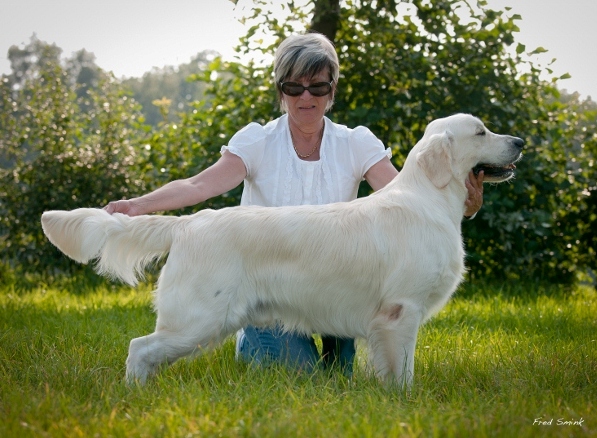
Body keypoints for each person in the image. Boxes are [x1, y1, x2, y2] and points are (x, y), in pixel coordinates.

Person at [104, 32, 484, 375]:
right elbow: (200, 184)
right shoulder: (258, 140)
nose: (306, 97)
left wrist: (460, 200)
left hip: (335, 293)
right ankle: (148, 358)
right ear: (281, 92)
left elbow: (409, 196)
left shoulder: (356, 142)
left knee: (335, 381)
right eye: (294, 87)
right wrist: (138, 207)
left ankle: (364, 369)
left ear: (332, 91)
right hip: (265, 295)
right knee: (304, 379)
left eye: (317, 87)